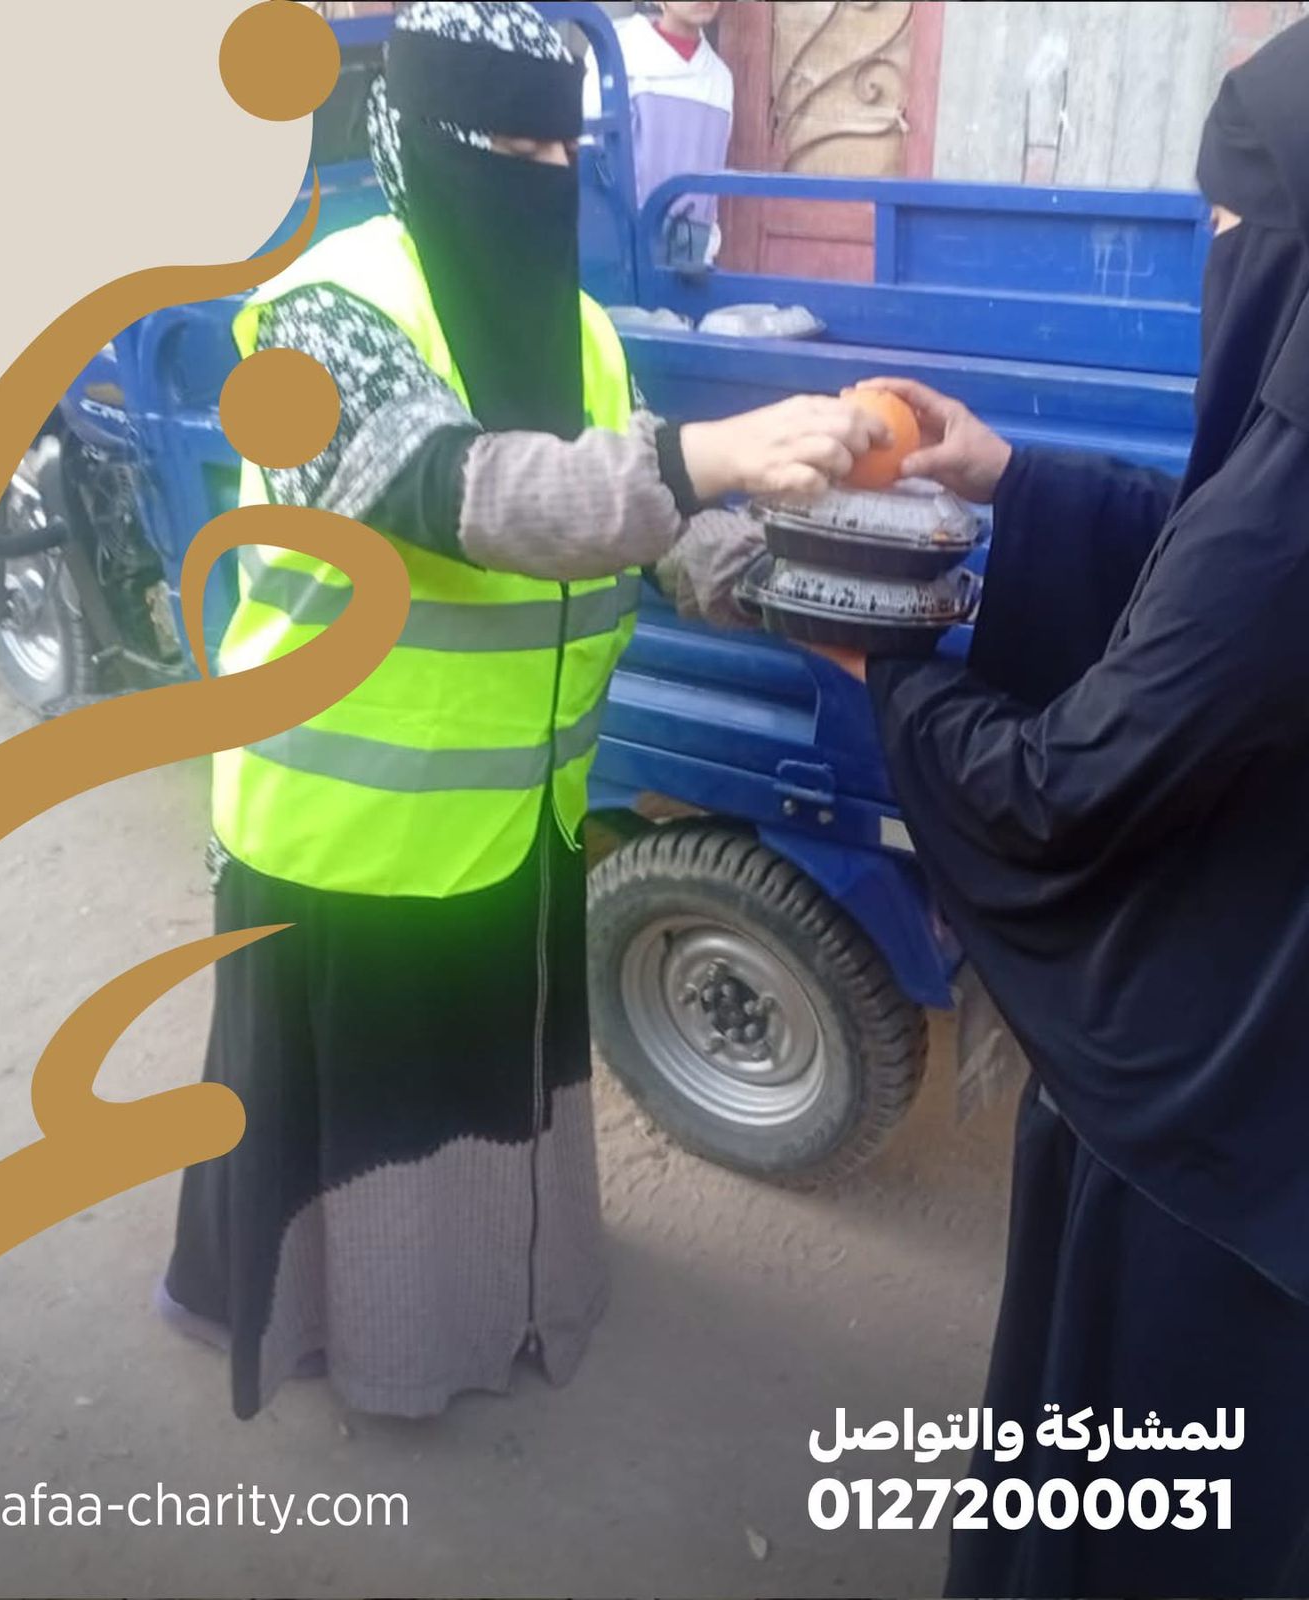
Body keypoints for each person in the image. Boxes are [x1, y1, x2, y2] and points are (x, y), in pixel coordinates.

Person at [161, 0, 882, 1421]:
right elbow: (466, 496)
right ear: (418, 138)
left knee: (486, 1089)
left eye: (562, 150)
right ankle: (368, 1343)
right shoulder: (321, 314)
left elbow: (665, 530)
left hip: (513, 811)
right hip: (345, 824)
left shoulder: (583, 331)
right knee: (365, 1113)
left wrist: (828, 585)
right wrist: (710, 454)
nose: (540, 178)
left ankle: (501, 1298)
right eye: (507, 147)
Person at [828, 20, 1309, 1595]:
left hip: (1229, 1168)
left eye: (1229, 221)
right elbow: (1214, 592)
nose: (1213, 249)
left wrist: (889, 669)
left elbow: (1070, 792)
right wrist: (1012, 479)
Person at [582, 2, 733, 266]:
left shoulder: (720, 79)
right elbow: (591, 154)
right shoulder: (617, 55)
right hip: (621, 247)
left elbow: (711, 182)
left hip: (690, 257)